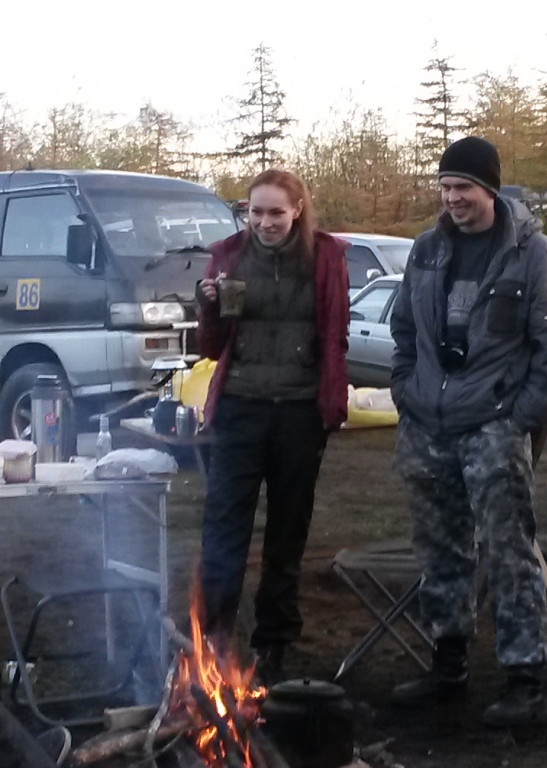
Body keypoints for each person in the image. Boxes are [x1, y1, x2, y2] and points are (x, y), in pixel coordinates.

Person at [389, 136, 547, 726]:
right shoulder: (426, 250)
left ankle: (525, 678)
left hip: (492, 428)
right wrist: (406, 391)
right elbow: (403, 331)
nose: (453, 198)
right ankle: (447, 665)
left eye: (464, 188)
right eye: (445, 187)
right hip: (427, 426)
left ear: (490, 190)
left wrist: (517, 418)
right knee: (439, 549)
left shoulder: (533, 255)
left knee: (508, 551)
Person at [194, 169, 350, 685]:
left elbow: (335, 334)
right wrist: (207, 308)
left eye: (275, 212)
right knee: (224, 529)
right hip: (241, 408)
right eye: (255, 212)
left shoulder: (325, 257)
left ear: (298, 210)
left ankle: (274, 641)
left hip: (299, 412)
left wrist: (331, 403)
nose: (264, 222)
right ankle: (212, 640)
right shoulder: (228, 256)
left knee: (287, 532)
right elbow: (212, 347)